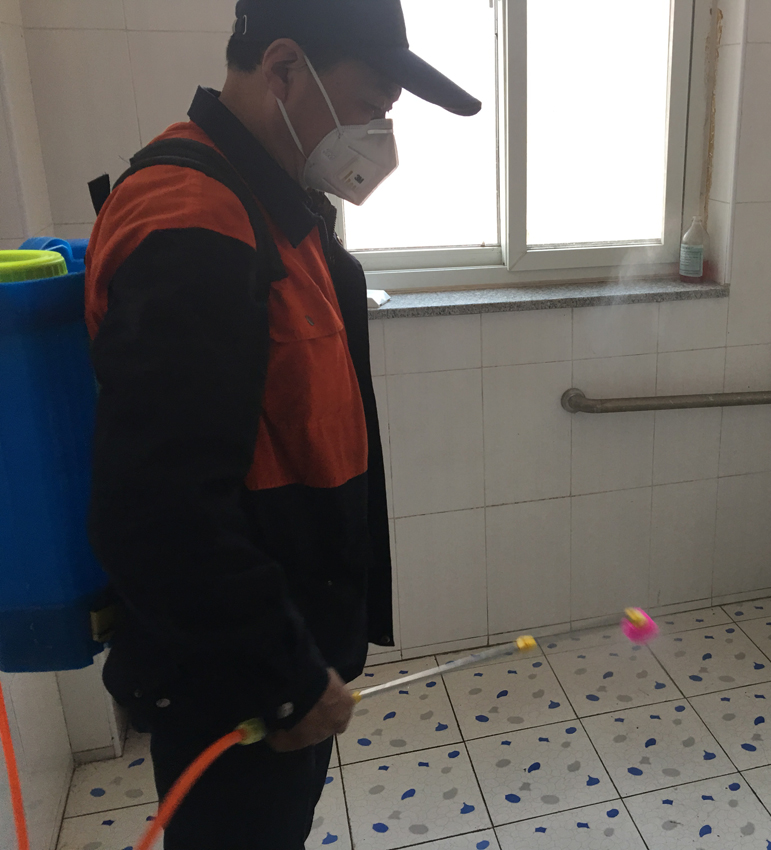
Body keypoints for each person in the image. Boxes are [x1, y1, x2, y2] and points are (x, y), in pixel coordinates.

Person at [82, 1, 480, 846]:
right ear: (286, 69)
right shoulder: (194, 225)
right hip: (235, 679)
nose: (379, 135)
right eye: (370, 106)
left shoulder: (266, 201)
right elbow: (157, 511)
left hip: (270, 655)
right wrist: (287, 677)